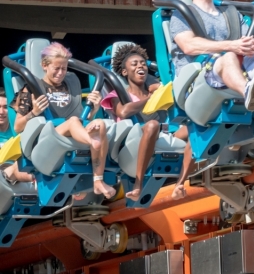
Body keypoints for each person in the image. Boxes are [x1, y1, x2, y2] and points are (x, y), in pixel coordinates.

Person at [13, 43, 116, 198]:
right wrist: (34, 112)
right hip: (47, 135)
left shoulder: (71, 82)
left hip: (73, 132)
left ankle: (98, 180)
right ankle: (92, 141)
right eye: (56, 68)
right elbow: (17, 126)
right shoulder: (30, 88)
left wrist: (94, 109)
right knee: (74, 122)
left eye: (64, 68)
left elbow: (83, 118)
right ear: (44, 66)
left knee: (99, 124)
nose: (61, 73)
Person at [101, 43, 194, 200]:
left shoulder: (154, 90)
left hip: (162, 133)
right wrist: (149, 99)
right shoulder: (118, 93)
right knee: (152, 125)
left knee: (194, 129)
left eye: (143, 63)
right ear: (124, 72)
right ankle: (138, 184)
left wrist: (158, 89)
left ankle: (180, 185)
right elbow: (123, 112)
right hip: (132, 139)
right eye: (134, 64)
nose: (140, 66)